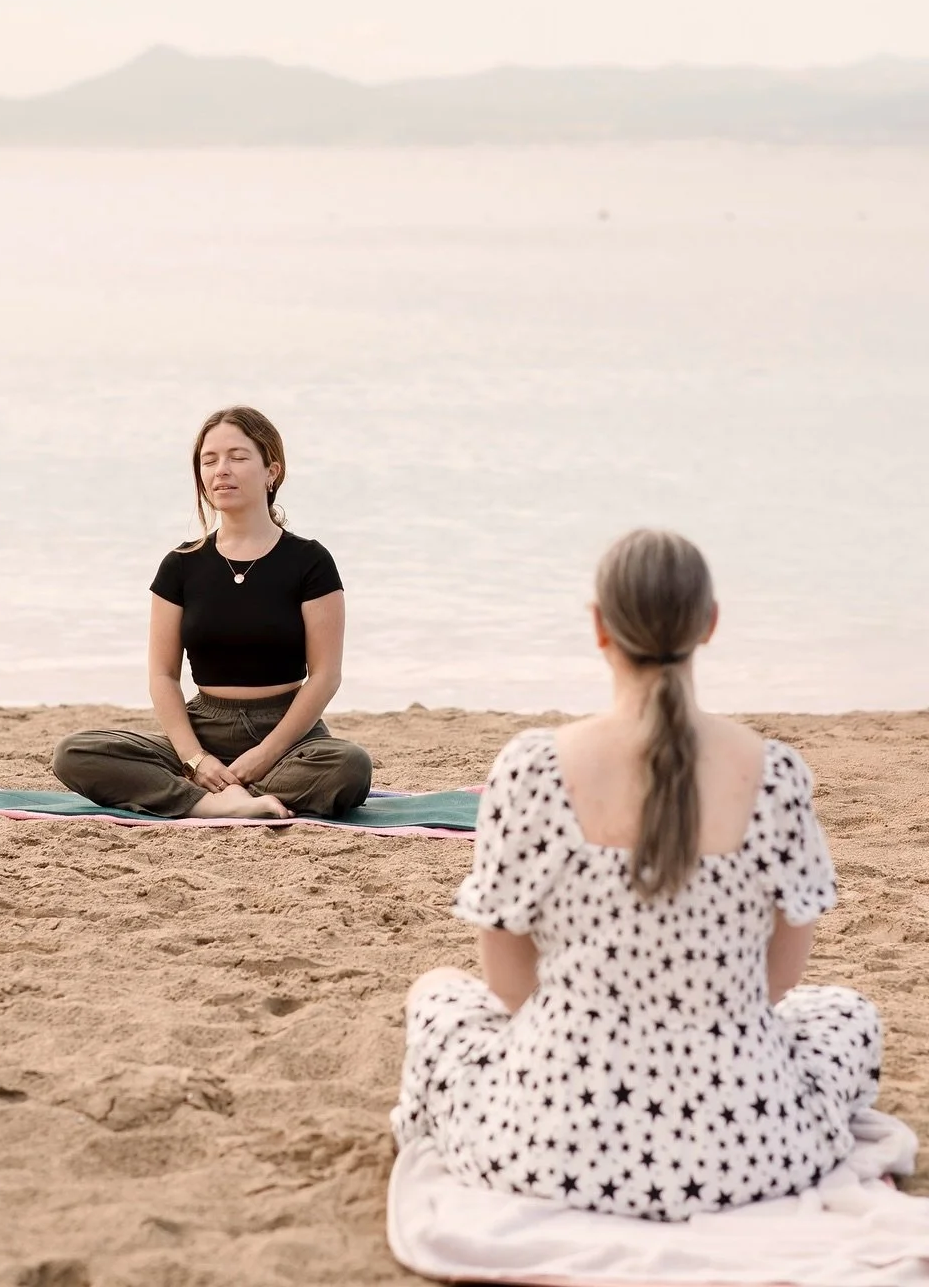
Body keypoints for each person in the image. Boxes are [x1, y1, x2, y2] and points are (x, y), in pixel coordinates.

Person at [393, 528, 881, 1221]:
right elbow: (780, 981)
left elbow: (506, 987)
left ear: (599, 626)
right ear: (709, 623)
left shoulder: (533, 769)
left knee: (439, 995)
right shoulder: (773, 773)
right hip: (746, 1149)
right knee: (846, 1014)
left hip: (551, 1143)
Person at [54, 405, 372, 819]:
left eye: (238, 457)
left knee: (350, 767)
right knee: (75, 753)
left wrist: (263, 754)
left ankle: (220, 794)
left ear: (271, 471)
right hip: (203, 727)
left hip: (289, 735)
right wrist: (196, 760)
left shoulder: (310, 561)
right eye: (209, 460)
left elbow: (326, 675)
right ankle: (213, 801)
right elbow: (163, 676)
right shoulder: (180, 565)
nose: (221, 469)